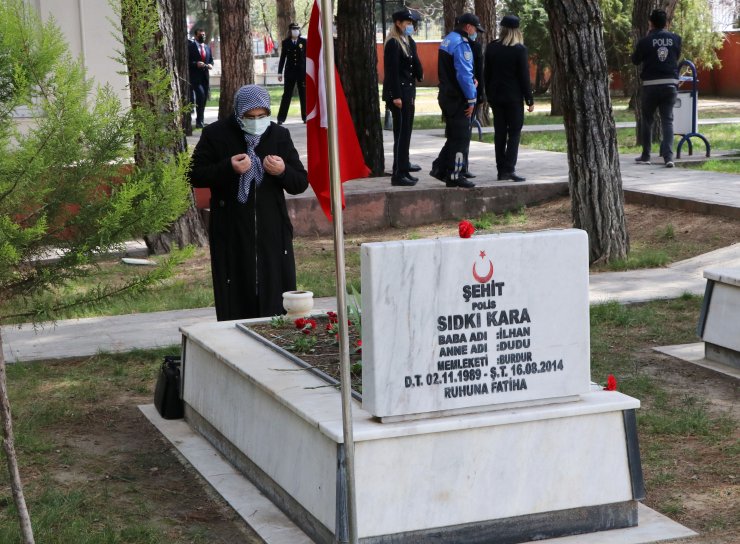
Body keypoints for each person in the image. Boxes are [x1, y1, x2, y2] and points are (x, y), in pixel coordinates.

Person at [188, 85, 309, 321]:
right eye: (250, 117)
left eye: (262, 116)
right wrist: (228, 167)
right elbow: (195, 174)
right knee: (235, 285)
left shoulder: (278, 136)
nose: (256, 122)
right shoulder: (216, 134)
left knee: (274, 285)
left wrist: (283, 171)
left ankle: (275, 331)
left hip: (272, 228)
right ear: (238, 114)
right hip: (231, 227)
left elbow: (300, 183)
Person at [430, 13, 484, 189]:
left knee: (454, 135)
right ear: (468, 27)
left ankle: (439, 168)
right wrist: (471, 99)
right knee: (461, 137)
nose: (475, 33)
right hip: (457, 97)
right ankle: (455, 174)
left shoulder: (448, 40)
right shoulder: (461, 44)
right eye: (475, 29)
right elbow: (463, 73)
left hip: (447, 94)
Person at [483, 15, 534, 183]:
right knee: (514, 133)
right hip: (513, 98)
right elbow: (524, 77)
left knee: (500, 133)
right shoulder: (519, 49)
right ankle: (509, 168)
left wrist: (488, 94)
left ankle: (500, 170)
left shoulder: (492, 48)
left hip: (496, 97)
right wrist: (529, 99)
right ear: (516, 30)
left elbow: (486, 74)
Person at [631, 9, 682, 168]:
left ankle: (646, 155)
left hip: (651, 86)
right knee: (667, 120)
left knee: (647, 120)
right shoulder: (676, 39)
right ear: (666, 23)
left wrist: (646, 38)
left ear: (650, 23)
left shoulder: (645, 41)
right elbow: (676, 56)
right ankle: (668, 157)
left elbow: (635, 60)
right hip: (670, 85)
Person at [383, 9, 424, 187]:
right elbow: (392, 73)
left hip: (408, 92)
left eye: (411, 23)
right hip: (398, 93)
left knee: (406, 133)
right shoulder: (393, 43)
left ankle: (403, 166)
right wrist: (396, 96)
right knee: (401, 134)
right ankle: (398, 174)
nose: (410, 26)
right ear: (398, 23)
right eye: (407, 23)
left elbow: (413, 68)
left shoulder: (407, 41)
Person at [277, 23, 307, 125]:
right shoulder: (285, 42)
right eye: (294, 29)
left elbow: (307, 57)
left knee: (303, 94)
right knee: (287, 95)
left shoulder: (304, 42)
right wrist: (279, 72)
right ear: (290, 31)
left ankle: (305, 117)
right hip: (290, 72)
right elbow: (282, 58)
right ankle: (281, 118)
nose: (296, 30)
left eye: (297, 29)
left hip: (302, 72)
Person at [188, 28, 213, 129]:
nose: (202, 37)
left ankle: (201, 120)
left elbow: (211, 60)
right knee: (201, 96)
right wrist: (196, 64)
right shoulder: (190, 47)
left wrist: (210, 64)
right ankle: (198, 121)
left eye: (203, 35)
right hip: (194, 77)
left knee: (203, 99)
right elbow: (187, 61)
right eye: (200, 35)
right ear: (195, 36)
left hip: (205, 77)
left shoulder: (207, 47)